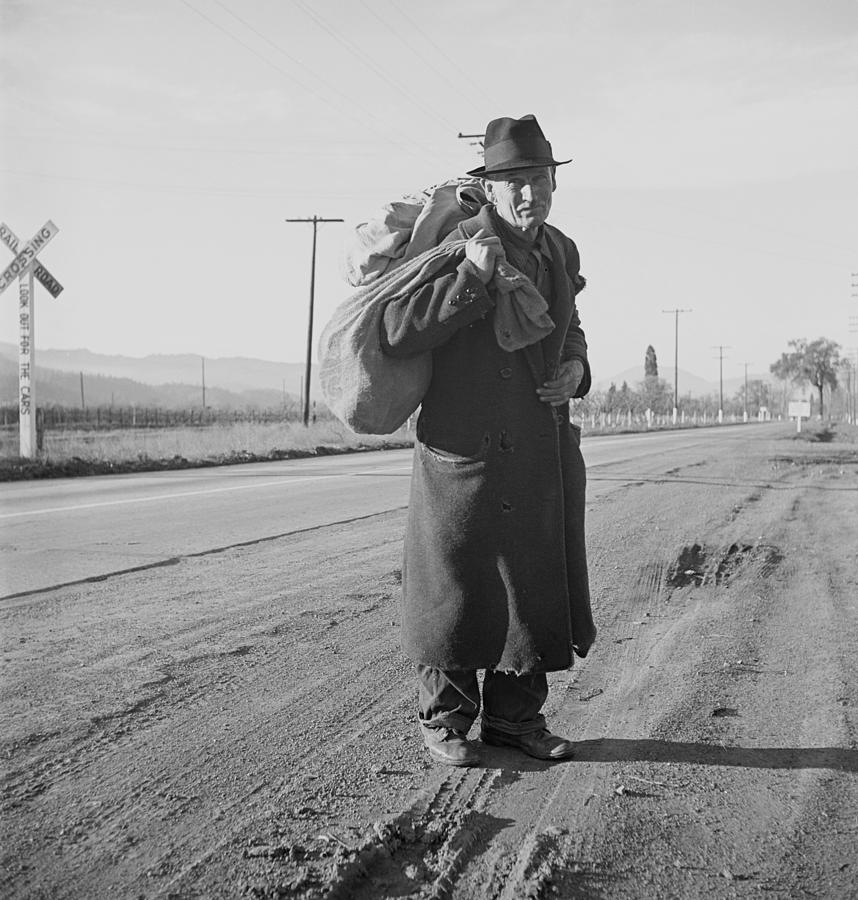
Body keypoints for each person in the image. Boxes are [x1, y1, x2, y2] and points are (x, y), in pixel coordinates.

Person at [379, 114, 596, 766]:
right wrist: (470, 279)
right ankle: (445, 722)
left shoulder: (560, 251)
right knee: (455, 589)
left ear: (553, 180)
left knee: (531, 586)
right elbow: (398, 329)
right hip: (461, 451)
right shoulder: (456, 243)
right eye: (515, 182)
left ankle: (516, 720)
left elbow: (573, 326)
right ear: (491, 185)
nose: (530, 194)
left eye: (539, 179)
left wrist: (576, 369)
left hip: (535, 447)